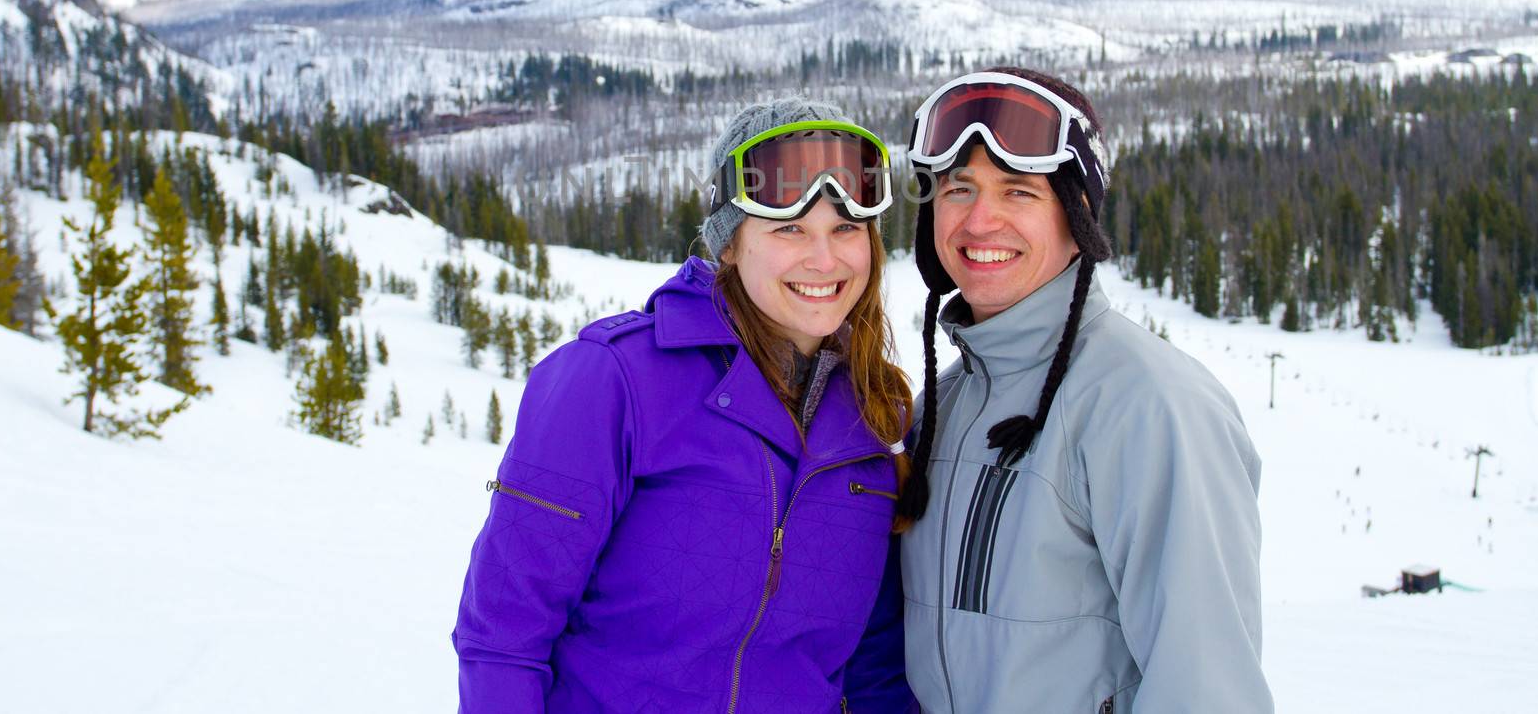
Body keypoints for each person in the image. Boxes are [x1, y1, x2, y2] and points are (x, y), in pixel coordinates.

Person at [452, 98, 917, 713]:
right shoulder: (613, 381)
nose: (824, 260)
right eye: (788, 229)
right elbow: (504, 636)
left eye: (845, 230)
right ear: (729, 244)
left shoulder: (876, 420)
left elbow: (875, 663)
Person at [895, 67, 1272, 713]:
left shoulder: (1148, 407)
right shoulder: (940, 410)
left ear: (1077, 216)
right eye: (959, 188)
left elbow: (1208, 689)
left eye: (1017, 192)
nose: (979, 220)